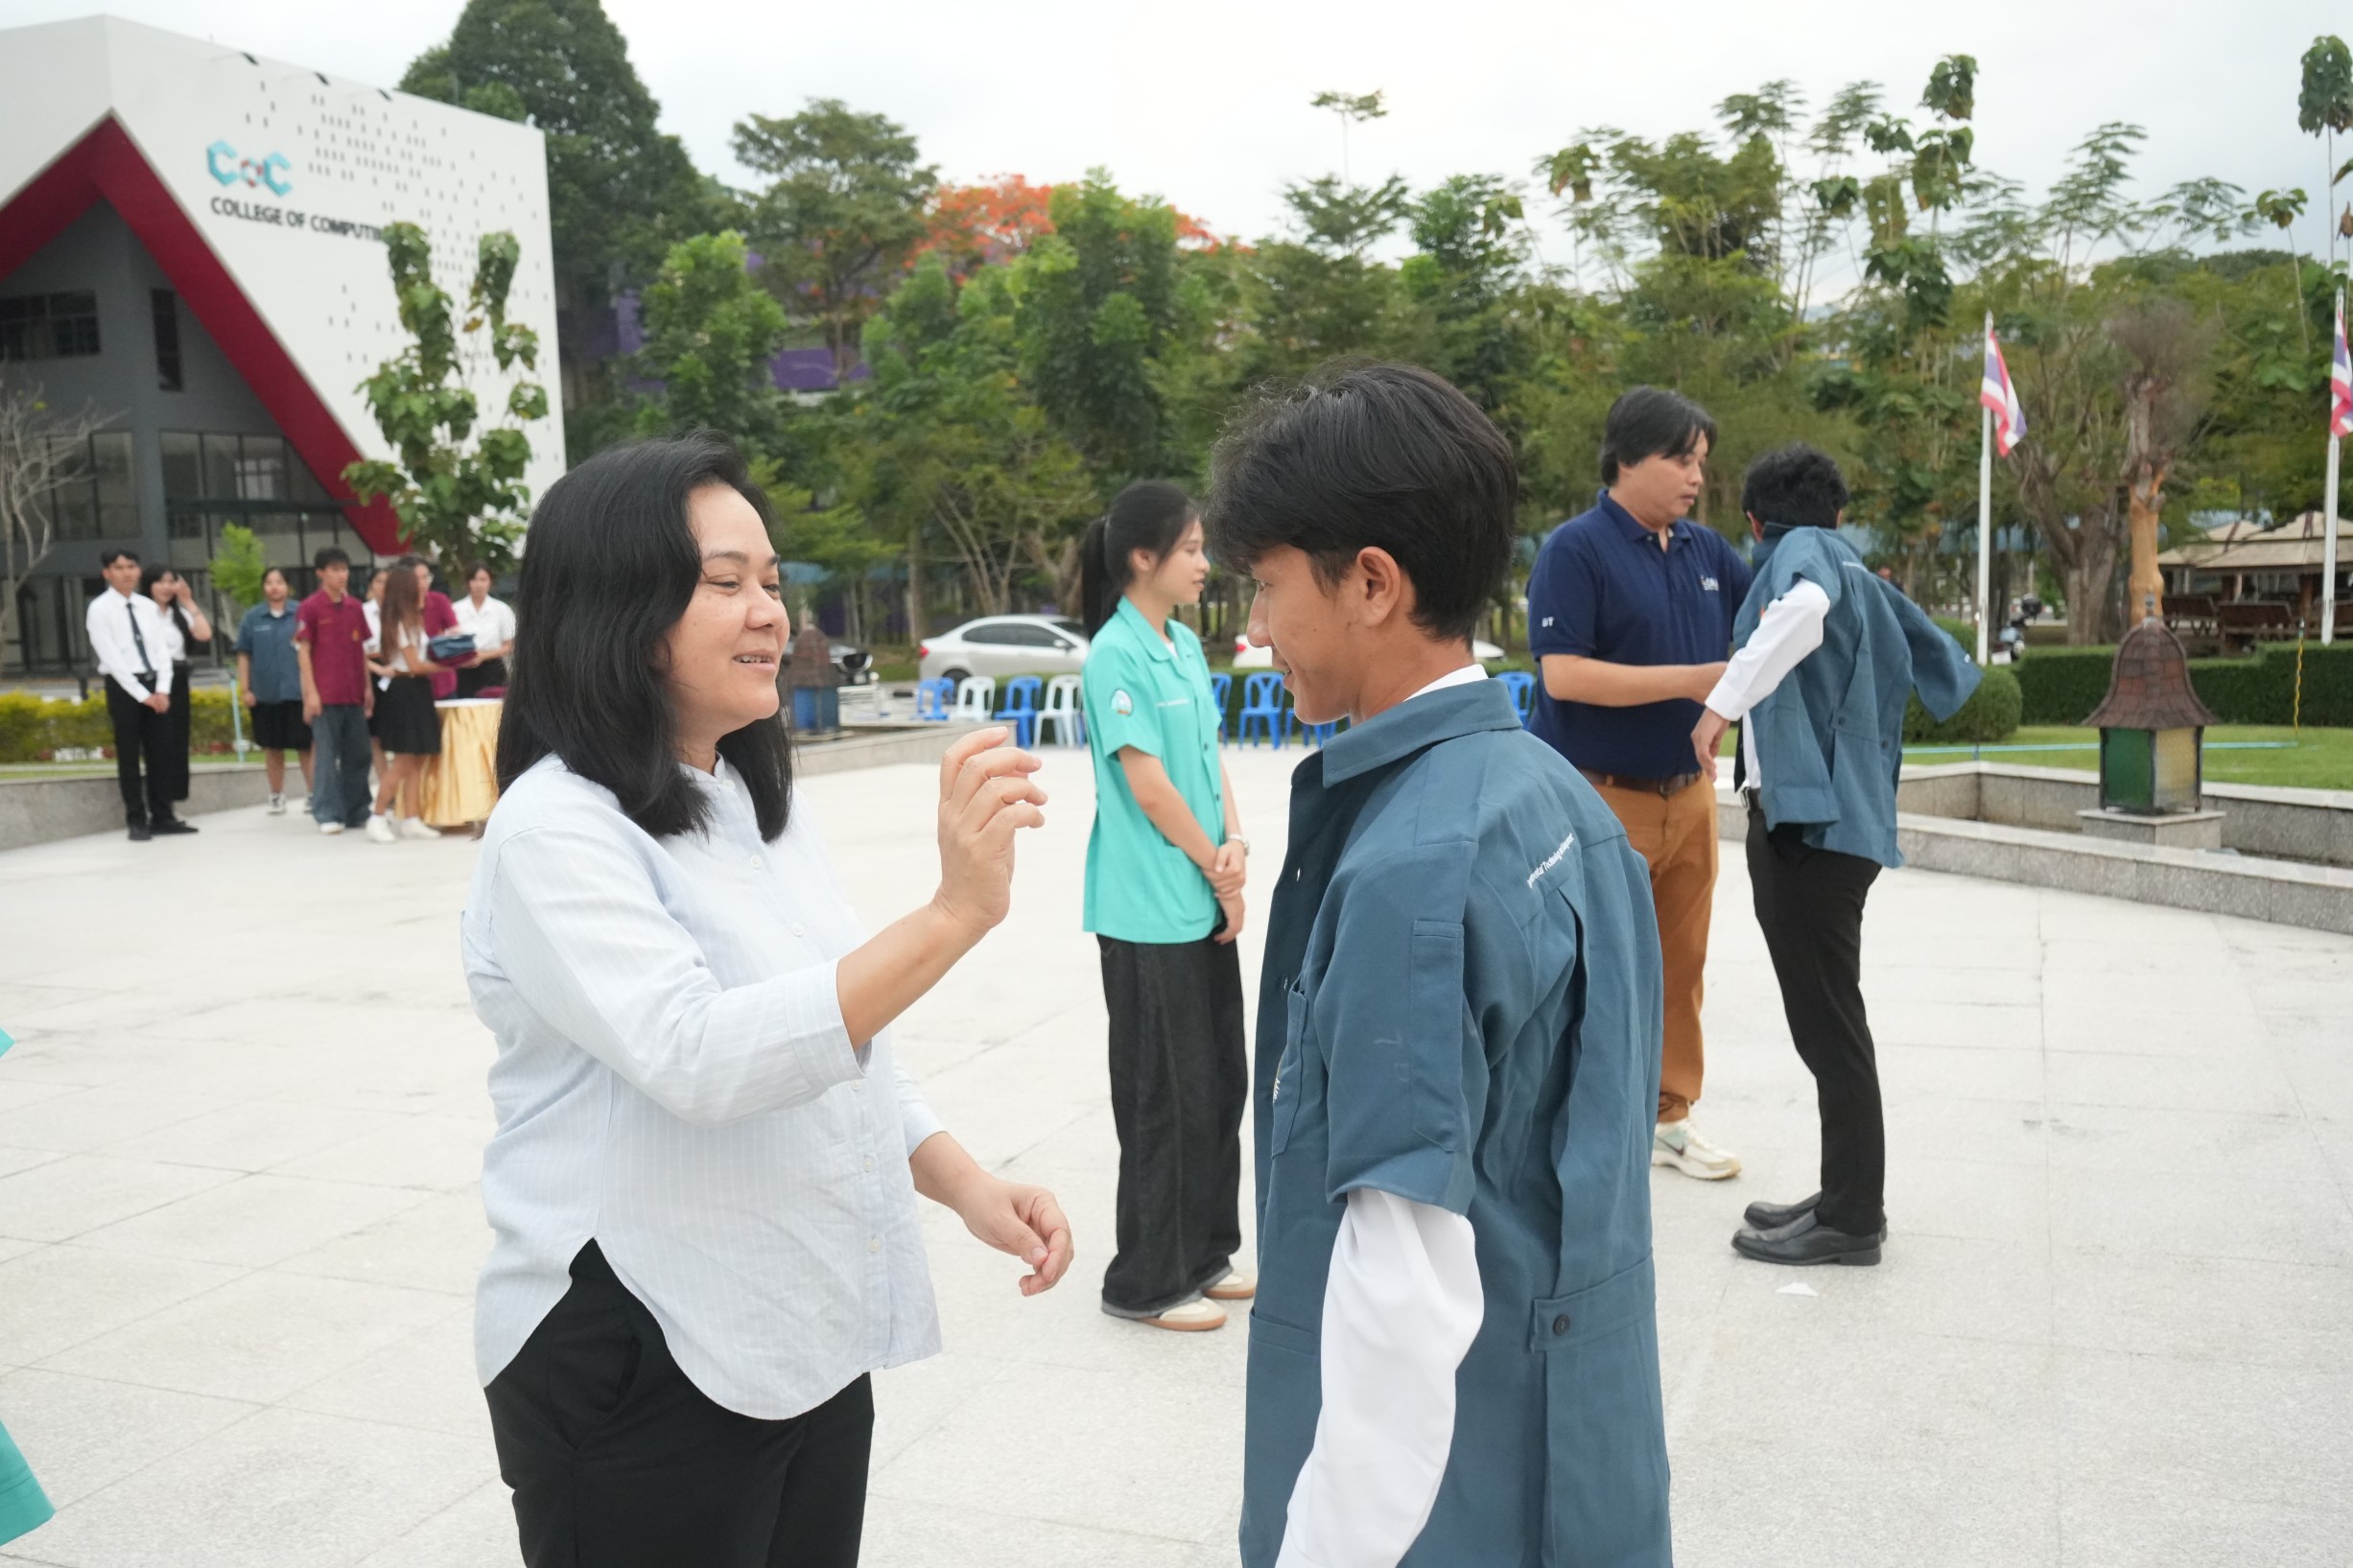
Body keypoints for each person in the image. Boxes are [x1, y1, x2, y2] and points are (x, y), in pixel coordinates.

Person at [466, 433, 1071, 1568]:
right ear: (616, 609)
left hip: (795, 1321)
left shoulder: (747, 800)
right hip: (641, 1337)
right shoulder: (555, 830)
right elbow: (700, 1057)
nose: (770, 615)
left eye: (773, 582)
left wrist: (963, 1182)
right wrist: (952, 914)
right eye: (724, 582)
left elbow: (832, 1036)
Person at [1209, 363, 1670, 1568]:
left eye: (1267, 586)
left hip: (1447, 1501)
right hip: (1579, 1450)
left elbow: (1397, 1296)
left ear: (1371, 582)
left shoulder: (1410, 867)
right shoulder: (1555, 796)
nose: (1253, 631)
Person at [1690, 446, 1979, 1267]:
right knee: (1827, 1024)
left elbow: (1806, 607)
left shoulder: (1804, 554)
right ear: (1839, 512)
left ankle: (1852, 1218)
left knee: (1830, 1028)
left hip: (1813, 832)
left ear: (1754, 521)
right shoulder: (1842, 557)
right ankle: (1841, 1193)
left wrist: (1717, 708)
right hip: (1828, 823)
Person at [1525, 385, 1753, 1182]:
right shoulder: (1575, 550)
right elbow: (1563, 674)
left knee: (1679, 967)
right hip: (1597, 797)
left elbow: (1760, 633)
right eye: (1680, 458)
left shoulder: (1705, 552)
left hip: (1686, 795)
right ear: (1626, 458)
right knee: (1587, 967)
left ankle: (1668, 1117)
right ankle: (1568, 1122)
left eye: (1701, 461)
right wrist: (1692, 679)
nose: (1695, 476)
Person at [1077, 480, 1252, 1334]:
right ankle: (1145, 1279)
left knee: (1219, 1083)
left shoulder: (1181, 644)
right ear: (1142, 557)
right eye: (1188, 548)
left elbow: (1208, 762)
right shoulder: (1113, 654)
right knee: (1163, 1095)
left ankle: (1205, 1252)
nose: (1203, 562)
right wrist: (1216, 870)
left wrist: (1236, 845)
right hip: (1148, 907)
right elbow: (1147, 786)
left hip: (1202, 893)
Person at [84, 549, 190, 840]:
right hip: (124, 687)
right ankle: (137, 819)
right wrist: (142, 695)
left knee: (162, 752)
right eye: (119, 568)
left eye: (131, 566)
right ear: (107, 573)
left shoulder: (147, 606)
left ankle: (163, 815)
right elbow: (111, 658)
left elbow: (162, 651)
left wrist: (162, 689)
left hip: (156, 684)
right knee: (129, 754)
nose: (126, 573)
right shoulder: (100, 609)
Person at [364, 559, 448, 842]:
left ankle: (411, 817)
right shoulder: (400, 623)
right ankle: (377, 817)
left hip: (417, 689)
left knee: (417, 758)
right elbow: (414, 664)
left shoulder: (413, 620)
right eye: (417, 583)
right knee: (402, 760)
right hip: (404, 691)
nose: (423, 586)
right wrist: (450, 664)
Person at [295, 547, 375, 835]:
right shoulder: (310, 607)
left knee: (359, 754)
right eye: (334, 570)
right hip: (326, 695)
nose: (341, 575)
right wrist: (311, 694)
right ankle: (327, 812)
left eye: (344, 569)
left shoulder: (355, 607)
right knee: (327, 757)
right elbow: (304, 652)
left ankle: (357, 810)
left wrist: (368, 688)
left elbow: (362, 650)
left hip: (353, 693)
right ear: (320, 573)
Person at [235, 567, 313, 813]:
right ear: (263, 587)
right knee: (273, 747)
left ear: (288, 586)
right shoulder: (252, 618)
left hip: (298, 692)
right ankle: (277, 795)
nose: (274, 587)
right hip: (266, 694)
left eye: (279, 582)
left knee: (306, 747)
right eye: (269, 582)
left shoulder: (301, 613)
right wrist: (245, 689)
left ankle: (314, 794)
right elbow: (244, 655)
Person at [141, 565, 212, 813]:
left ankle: (173, 798)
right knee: (158, 741)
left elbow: (204, 634)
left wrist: (188, 601)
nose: (166, 587)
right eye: (160, 582)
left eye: (171, 582)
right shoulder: (142, 613)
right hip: (153, 678)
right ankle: (159, 803)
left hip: (178, 678)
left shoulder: (178, 614)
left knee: (178, 739)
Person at [453, 563, 516, 697]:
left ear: (490, 582)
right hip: (463, 668)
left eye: (483, 579)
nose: (478, 585)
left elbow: (509, 645)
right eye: (474, 580)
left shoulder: (502, 609)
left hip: (493, 668)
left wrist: (482, 656)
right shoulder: (456, 609)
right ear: (468, 583)